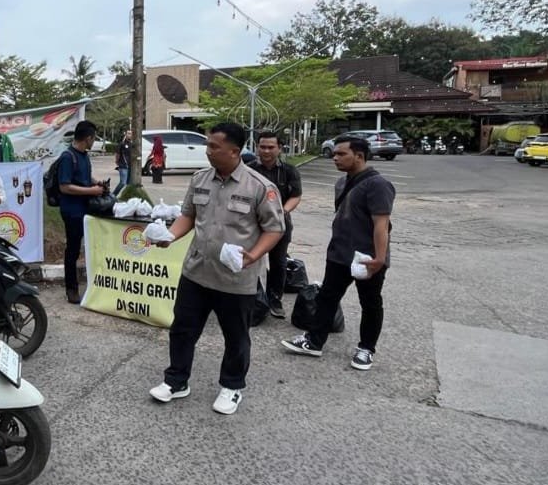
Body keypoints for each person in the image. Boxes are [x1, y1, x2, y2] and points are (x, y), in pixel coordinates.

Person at [147, 122, 284, 415]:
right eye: (207, 145)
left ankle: (232, 386)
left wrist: (252, 256)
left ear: (234, 151)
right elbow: (188, 215)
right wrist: (171, 236)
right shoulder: (199, 179)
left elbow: (274, 229)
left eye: (213, 146)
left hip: (236, 278)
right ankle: (177, 381)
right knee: (182, 329)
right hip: (197, 271)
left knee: (235, 336)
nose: (207, 150)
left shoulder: (259, 187)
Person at [282, 135, 395, 371]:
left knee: (371, 303)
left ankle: (366, 348)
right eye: (334, 153)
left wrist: (380, 258)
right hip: (339, 254)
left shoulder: (378, 185)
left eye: (341, 154)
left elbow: (381, 225)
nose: (335, 158)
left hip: (367, 258)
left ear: (359, 156)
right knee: (327, 298)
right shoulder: (341, 183)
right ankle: (314, 341)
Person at [246, 131, 302, 319]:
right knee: (249, 260)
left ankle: (275, 298)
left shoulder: (289, 171)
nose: (266, 151)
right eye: (262, 147)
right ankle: (252, 298)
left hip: (279, 226)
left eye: (271, 147)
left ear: (279, 148)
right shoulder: (248, 169)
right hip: (252, 226)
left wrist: (282, 212)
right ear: (257, 147)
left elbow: (295, 196)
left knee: (278, 262)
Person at [58, 120, 106, 304]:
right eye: (93, 138)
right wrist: (91, 191)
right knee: (73, 249)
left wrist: (96, 183)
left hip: (84, 209)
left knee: (85, 247)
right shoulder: (67, 157)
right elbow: (65, 186)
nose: (94, 141)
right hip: (71, 211)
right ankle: (71, 288)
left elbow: (85, 176)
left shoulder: (84, 156)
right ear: (88, 138)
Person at [115, 129, 133, 195]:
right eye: (128, 133)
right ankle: (113, 194)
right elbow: (117, 154)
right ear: (125, 134)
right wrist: (117, 161)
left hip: (130, 166)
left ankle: (126, 196)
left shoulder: (132, 144)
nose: (130, 135)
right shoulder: (122, 144)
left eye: (131, 133)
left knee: (129, 183)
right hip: (123, 166)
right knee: (123, 183)